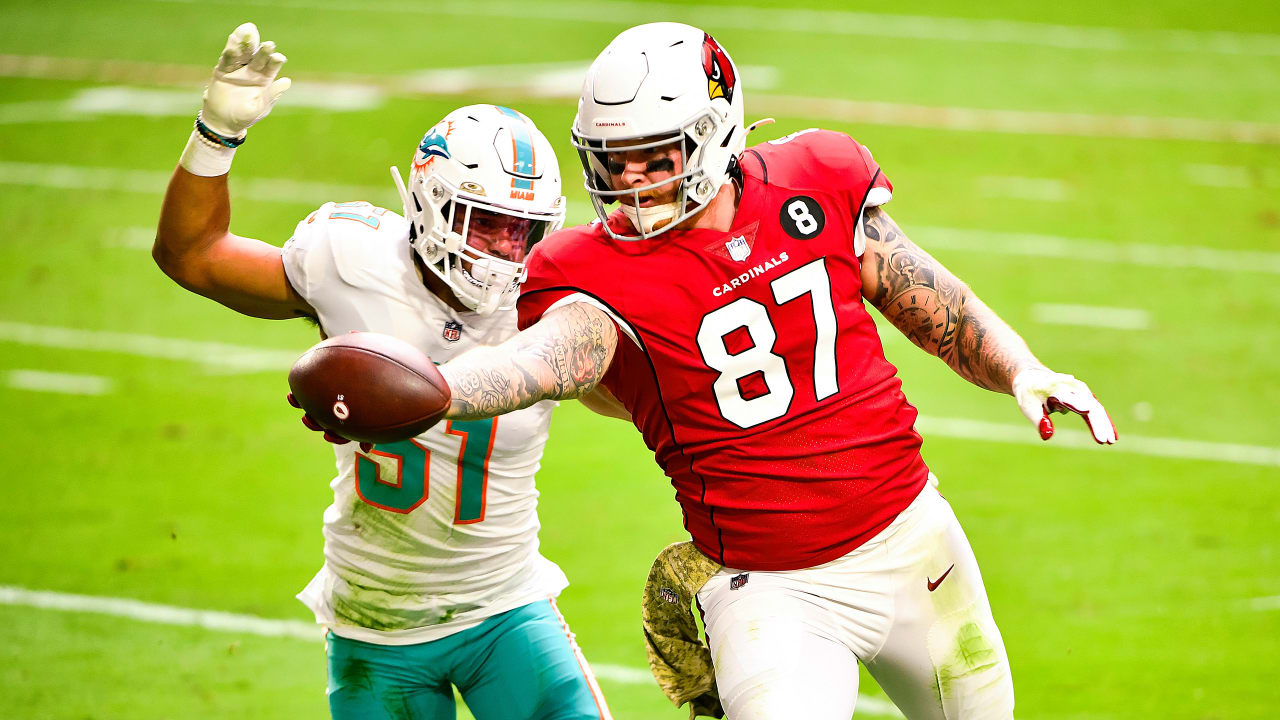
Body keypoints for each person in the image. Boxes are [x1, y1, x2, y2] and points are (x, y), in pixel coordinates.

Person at [345, 22, 1119, 720]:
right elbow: (544, 362)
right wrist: (442, 391)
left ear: (713, 134)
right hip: (774, 591)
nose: (633, 184)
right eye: (615, 162)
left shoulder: (816, 177)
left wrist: (1019, 366)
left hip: (917, 545)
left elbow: (925, 293)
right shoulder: (592, 270)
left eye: (655, 159)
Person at [153, 23, 612, 720]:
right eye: (485, 222)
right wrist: (216, 133)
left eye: (523, 230)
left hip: (506, 607)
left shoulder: (547, 295)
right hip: (377, 620)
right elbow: (193, 256)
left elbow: (648, 405)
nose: (505, 249)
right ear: (431, 202)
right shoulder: (354, 259)